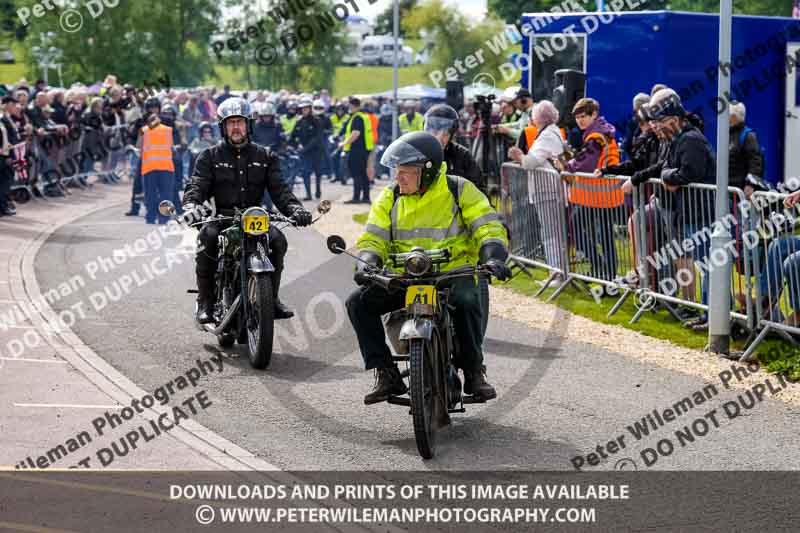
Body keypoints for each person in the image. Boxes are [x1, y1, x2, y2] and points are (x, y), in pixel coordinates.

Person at [346, 131, 511, 404]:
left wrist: (493, 256)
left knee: (468, 301)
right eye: (397, 171)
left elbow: (488, 225)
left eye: (406, 172)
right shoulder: (390, 196)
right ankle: (386, 372)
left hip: (452, 273)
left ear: (428, 171)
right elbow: (374, 236)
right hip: (404, 276)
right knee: (357, 304)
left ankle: (473, 371)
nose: (399, 177)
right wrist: (369, 262)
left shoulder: (459, 188)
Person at [183, 97, 312, 323]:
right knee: (207, 237)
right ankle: (206, 302)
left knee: (277, 240)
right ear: (223, 127)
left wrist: (295, 209)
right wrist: (192, 205)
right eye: (230, 123)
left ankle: (271, 299)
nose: (235, 127)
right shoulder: (209, 156)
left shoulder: (265, 156)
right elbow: (197, 184)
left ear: (248, 125)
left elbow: (280, 189)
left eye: (240, 122)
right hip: (222, 217)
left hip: (255, 217)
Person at [647, 89, 716, 330]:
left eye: (659, 122)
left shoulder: (690, 140)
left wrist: (671, 177)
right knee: (704, 264)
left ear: (673, 120)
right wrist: (669, 176)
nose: (655, 127)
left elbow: (689, 174)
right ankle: (708, 314)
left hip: (703, 212)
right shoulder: (675, 140)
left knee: (710, 266)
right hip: (691, 211)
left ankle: (716, 317)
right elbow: (666, 169)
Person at [564, 97, 621, 281]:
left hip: (596, 193)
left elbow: (586, 163)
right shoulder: (600, 131)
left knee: (576, 227)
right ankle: (607, 273)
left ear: (594, 115)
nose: (580, 120)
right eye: (577, 117)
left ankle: (602, 269)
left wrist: (567, 165)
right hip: (605, 193)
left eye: (583, 116)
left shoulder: (596, 135)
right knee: (605, 235)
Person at [508, 100, 568, 274]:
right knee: (554, 233)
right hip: (550, 189)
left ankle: (556, 274)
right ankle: (558, 273)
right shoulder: (553, 132)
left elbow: (530, 162)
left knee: (550, 234)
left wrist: (519, 155)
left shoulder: (547, 135)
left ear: (537, 118)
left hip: (546, 190)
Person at [423, 103, 483, 193]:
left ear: (452, 135)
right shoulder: (418, 153)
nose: (439, 137)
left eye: (445, 133)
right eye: (434, 132)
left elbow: (478, 189)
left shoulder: (462, 155)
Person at [136, 103, 175, 225]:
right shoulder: (168, 130)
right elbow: (172, 146)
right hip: (166, 167)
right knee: (166, 193)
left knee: (150, 194)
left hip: (149, 168)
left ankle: (150, 217)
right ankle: (164, 218)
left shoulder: (144, 131)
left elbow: (138, 146)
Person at [340, 97, 373, 204]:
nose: (349, 108)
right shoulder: (363, 116)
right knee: (363, 174)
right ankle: (366, 197)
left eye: (350, 106)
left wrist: (344, 143)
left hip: (356, 150)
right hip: (364, 149)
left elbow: (356, 133)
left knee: (356, 174)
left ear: (354, 106)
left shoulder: (357, 117)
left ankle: (356, 198)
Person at [291, 98, 325, 200]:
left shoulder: (317, 121)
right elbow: (293, 136)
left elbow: (317, 137)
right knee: (306, 172)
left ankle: (318, 189)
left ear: (310, 109)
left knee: (318, 172)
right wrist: (297, 145)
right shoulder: (299, 121)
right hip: (305, 152)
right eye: (303, 109)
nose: (304, 110)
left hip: (316, 150)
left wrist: (305, 148)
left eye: (306, 108)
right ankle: (308, 194)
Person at [728, 101, 764, 193]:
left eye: (728, 114)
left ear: (734, 117)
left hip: (740, 191)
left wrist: (750, 184)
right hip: (729, 188)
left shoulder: (748, 136)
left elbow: (756, 162)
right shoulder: (728, 135)